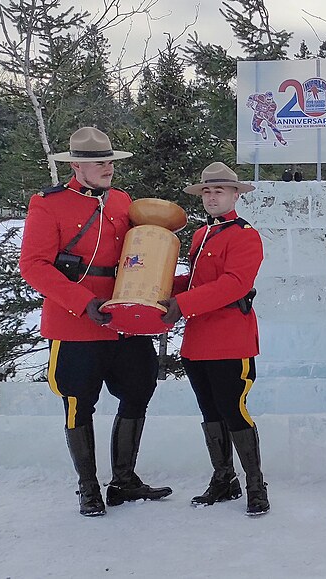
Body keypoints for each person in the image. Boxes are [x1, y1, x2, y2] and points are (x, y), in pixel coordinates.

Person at [19, 127, 172, 516]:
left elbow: (141, 253)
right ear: (76, 166)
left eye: (109, 161)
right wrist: (82, 302)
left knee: (140, 388)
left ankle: (124, 479)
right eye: (99, 163)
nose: (108, 168)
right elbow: (33, 266)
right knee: (77, 401)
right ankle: (88, 488)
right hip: (75, 322)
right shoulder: (47, 204)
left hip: (125, 318)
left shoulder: (122, 201)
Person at [160, 162, 268, 515]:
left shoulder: (246, 235)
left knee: (233, 410)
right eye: (206, 191)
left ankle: (255, 484)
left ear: (236, 194)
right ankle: (224, 479)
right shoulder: (200, 235)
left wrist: (182, 303)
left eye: (219, 190)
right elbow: (195, 281)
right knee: (209, 411)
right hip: (197, 340)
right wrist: (154, 288)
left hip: (229, 339)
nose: (211, 197)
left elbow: (233, 285)